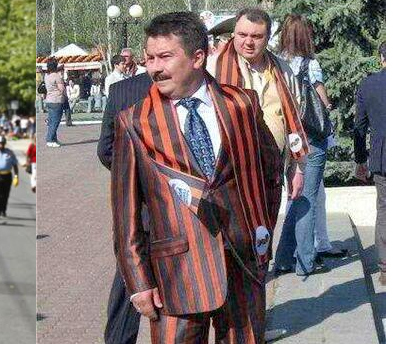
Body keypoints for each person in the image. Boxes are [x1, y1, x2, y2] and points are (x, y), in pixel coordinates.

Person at [112, 12, 287, 343]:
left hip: (242, 264)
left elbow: (270, 173)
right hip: (175, 276)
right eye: (150, 58)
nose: (154, 68)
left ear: (197, 57)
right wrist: (139, 283)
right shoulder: (134, 122)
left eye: (165, 57)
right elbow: (126, 216)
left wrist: (261, 230)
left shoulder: (241, 104)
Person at [208, 8, 309, 232]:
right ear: (234, 33)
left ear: (267, 37)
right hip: (228, 170)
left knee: (264, 235)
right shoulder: (212, 67)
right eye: (242, 35)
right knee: (233, 238)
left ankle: (262, 268)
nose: (248, 42)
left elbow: (294, 119)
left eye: (256, 36)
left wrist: (297, 168)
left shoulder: (283, 71)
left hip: (269, 170)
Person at [273, 14, 346, 276]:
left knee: (295, 195)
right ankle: (305, 260)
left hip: (288, 137)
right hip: (311, 136)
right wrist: (328, 107)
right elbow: (321, 97)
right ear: (306, 36)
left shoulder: (277, 63)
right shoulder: (309, 64)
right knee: (308, 198)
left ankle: (282, 257)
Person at [97, 49, 153, 344]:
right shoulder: (196, 87)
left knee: (128, 281)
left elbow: (105, 149)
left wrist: (131, 181)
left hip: (137, 208)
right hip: (178, 212)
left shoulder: (122, 90)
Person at [354, 42, 386, 284]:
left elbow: (359, 126)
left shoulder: (368, 84)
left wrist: (360, 160)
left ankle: (386, 267)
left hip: (383, 158)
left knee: (385, 211)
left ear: (382, 58)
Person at [43, 60, 66, 147]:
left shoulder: (46, 76)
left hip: (49, 99)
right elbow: (62, 89)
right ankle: (49, 139)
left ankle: (54, 139)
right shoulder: (57, 76)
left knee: (51, 121)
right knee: (55, 121)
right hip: (57, 100)